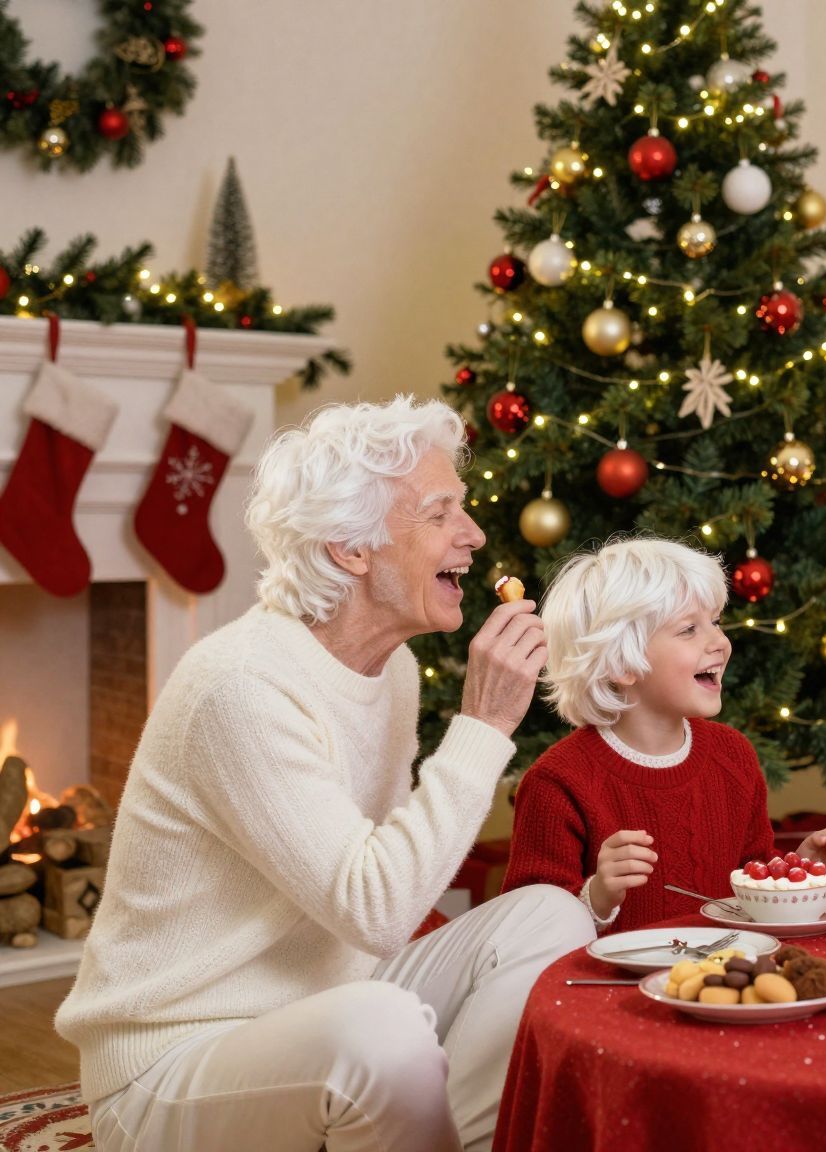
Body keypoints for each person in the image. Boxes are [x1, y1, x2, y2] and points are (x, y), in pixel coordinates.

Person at [55, 396, 594, 1152]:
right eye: (441, 513)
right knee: (381, 1029)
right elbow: (376, 908)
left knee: (552, 916)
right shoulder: (240, 686)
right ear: (351, 548)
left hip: (330, 1006)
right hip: (172, 1065)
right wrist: (483, 727)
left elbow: (388, 900)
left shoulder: (394, 670)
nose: (473, 536)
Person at [502, 537, 826, 933]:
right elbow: (524, 931)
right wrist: (597, 896)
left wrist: (794, 871)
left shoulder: (733, 755)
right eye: (689, 630)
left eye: (714, 622)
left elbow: (750, 876)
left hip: (723, 980)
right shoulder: (557, 782)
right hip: (611, 990)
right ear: (621, 663)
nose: (719, 641)